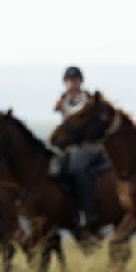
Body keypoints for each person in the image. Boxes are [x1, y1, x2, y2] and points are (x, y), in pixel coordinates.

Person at [53, 66, 106, 235]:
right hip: (68, 145)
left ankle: (87, 212)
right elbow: (55, 108)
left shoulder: (87, 99)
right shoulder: (64, 100)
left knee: (78, 169)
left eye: (75, 80)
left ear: (81, 81)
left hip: (87, 144)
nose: (73, 83)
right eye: (69, 80)